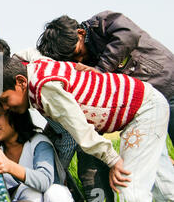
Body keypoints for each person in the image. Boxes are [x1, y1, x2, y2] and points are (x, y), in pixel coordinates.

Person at [0, 54, 174, 202]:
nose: (5, 108)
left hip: (142, 110)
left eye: (5, 100)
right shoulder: (33, 69)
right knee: (165, 190)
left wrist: (112, 160)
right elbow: (28, 53)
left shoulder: (44, 88)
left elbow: (80, 129)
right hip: (145, 104)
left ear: (21, 82)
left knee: (128, 190)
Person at [36, 11, 174, 145]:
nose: (79, 59)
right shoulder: (84, 63)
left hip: (166, 82)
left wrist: (101, 70)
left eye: (78, 52)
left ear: (80, 33)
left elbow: (128, 34)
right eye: (73, 59)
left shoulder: (102, 22)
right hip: (146, 102)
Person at [0, 99, 79, 202]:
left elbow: (44, 181)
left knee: (54, 193)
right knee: (29, 195)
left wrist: (10, 167)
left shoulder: (38, 142)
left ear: (14, 115)